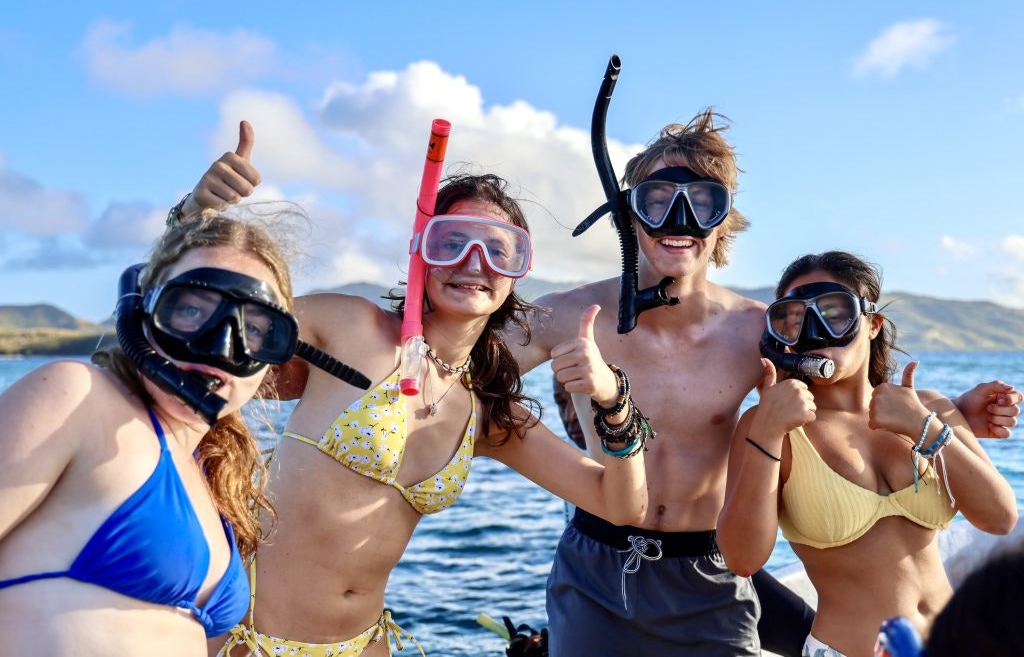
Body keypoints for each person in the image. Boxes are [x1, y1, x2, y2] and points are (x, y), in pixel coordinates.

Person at [507, 111, 1021, 656]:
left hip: (709, 567)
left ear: (723, 220)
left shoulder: (760, 330)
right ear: (629, 211)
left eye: (701, 202)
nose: (677, 218)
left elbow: (843, 380)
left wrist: (953, 412)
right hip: (600, 565)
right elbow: (462, 376)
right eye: (657, 199)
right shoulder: (567, 315)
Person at [183, 123, 649, 656]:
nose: (475, 262)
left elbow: (622, 506)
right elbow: (194, 334)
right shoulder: (349, 329)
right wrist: (197, 219)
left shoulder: (483, 411)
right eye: (453, 241)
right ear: (420, 252)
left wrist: (614, 403)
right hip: (249, 640)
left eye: (500, 250)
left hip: (365, 644)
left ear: (516, 274)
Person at [0, 212, 299, 656]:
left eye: (252, 328)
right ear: (142, 313)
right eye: (192, 310)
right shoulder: (78, 398)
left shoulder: (209, 475)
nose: (220, 344)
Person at [717, 250, 1018, 657]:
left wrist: (924, 427)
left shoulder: (927, 407)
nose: (816, 330)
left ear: (873, 324)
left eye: (834, 312)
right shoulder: (773, 426)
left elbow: (1000, 518)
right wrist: (769, 432)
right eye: (796, 318)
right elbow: (742, 559)